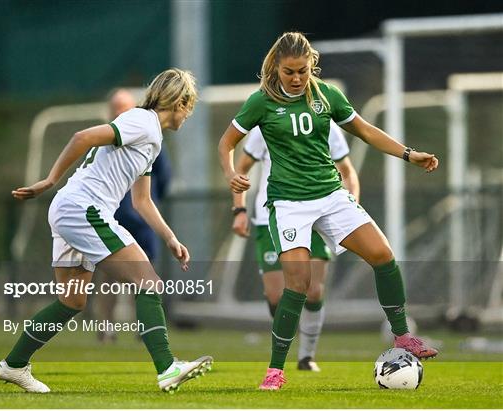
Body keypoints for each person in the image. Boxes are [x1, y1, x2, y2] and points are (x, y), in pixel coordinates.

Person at [218, 32, 439, 391]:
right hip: (289, 204)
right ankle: (275, 370)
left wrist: (408, 154)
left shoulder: (326, 96)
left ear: (311, 66)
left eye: (303, 70)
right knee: (299, 285)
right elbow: (227, 142)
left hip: (331, 196)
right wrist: (232, 175)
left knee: (383, 255)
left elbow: (365, 131)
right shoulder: (261, 101)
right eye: (289, 71)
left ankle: (403, 337)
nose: (296, 78)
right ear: (276, 67)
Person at [0, 68, 212, 394]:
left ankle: (13, 365)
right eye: (189, 106)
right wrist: (49, 180)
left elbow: (142, 201)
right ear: (179, 101)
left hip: (71, 209)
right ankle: (167, 368)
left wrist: (170, 237)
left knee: (72, 300)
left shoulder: (151, 139)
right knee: (148, 281)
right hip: (82, 209)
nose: (189, 114)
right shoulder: (141, 121)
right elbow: (81, 138)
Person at [231, 122, 359, 372]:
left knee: (313, 291)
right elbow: (242, 167)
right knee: (277, 297)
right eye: (288, 79)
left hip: (318, 217)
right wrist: (239, 208)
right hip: (272, 216)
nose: (296, 81)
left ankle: (306, 356)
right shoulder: (265, 124)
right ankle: (283, 348)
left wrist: (351, 206)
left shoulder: (328, 125)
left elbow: (347, 171)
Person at [96, 88, 172, 343]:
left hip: (141, 222)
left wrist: (150, 204)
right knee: (107, 278)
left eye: (125, 107)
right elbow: (80, 141)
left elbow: (162, 180)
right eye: (116, 107)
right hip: (109, 219)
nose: (120, 112)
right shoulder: (103, 140)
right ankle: (106, 328)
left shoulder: (150, 140)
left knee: (144, 274)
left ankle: (146, 328)